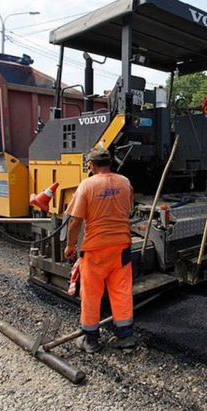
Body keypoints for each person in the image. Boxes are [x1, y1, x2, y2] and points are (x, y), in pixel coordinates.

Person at [64, 148, 136, 353]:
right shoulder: (125, 182)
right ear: (110, 163)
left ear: (91, 166)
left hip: (96, 249)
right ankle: (126, 338)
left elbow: (75, 221)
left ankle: (91, 340)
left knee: (92, 294)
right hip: (121, 246)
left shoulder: (87, 185)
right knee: (121, 292)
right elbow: (128, 209)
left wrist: (70, 246)